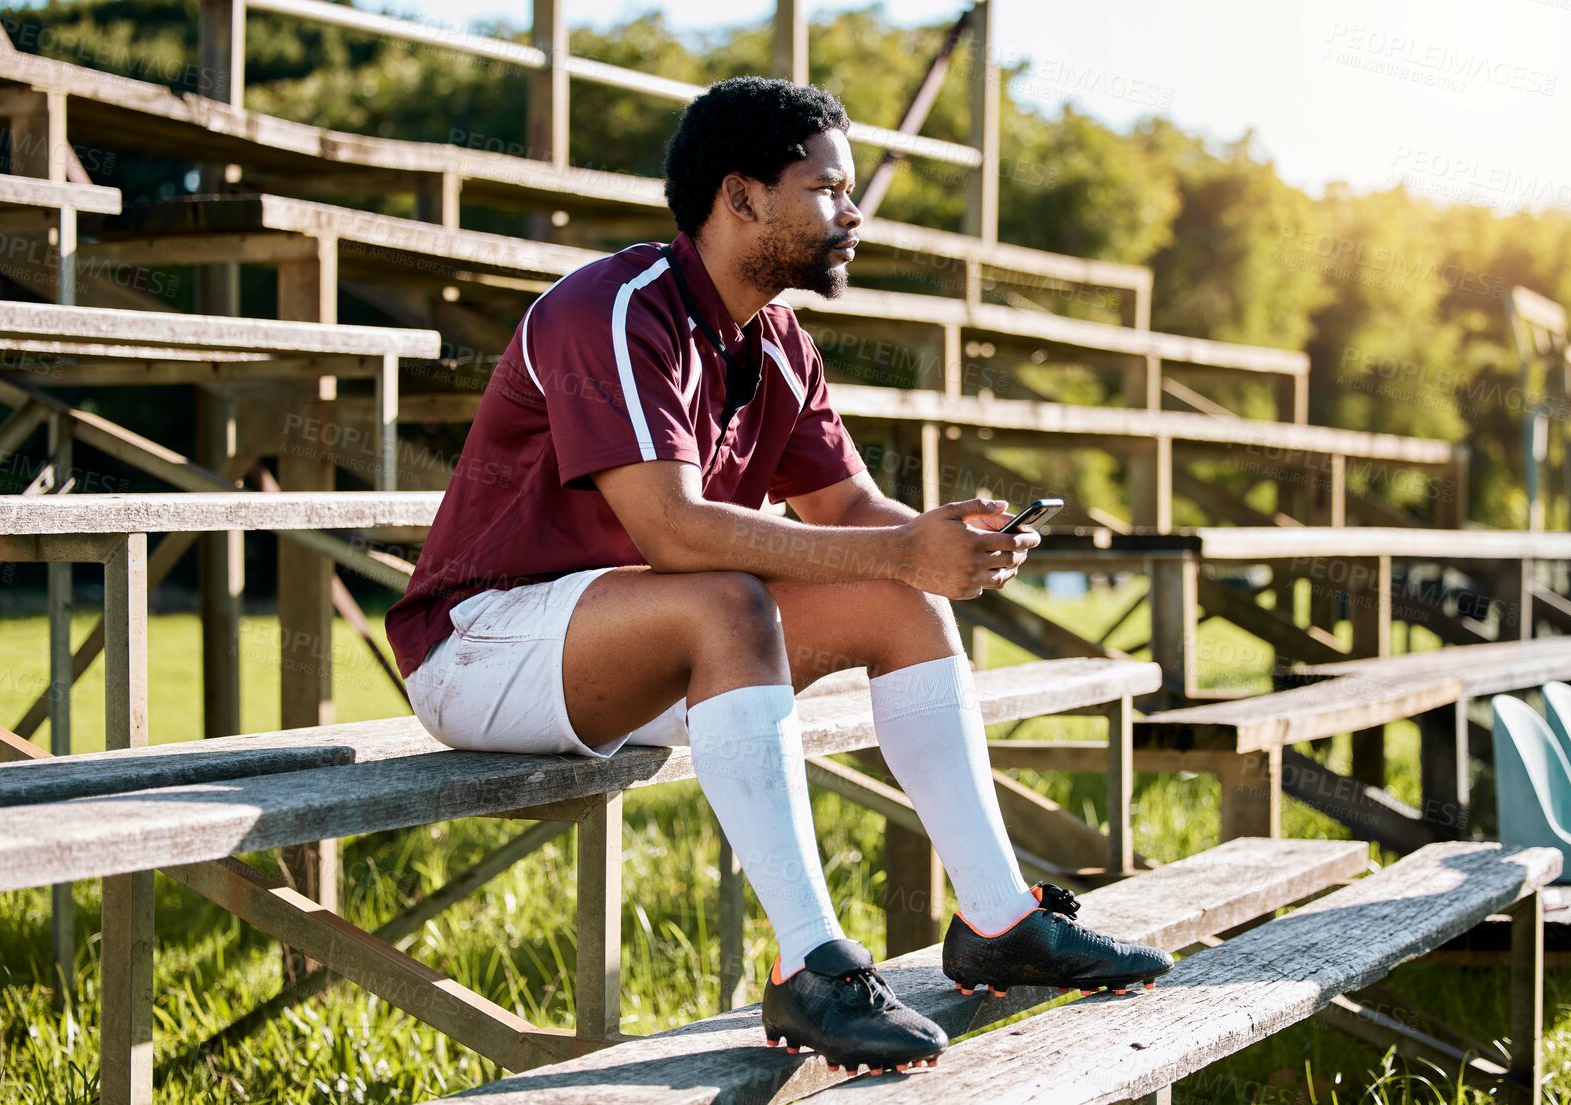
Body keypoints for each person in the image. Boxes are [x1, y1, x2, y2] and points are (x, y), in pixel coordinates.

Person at [384, 76, 1171, 1076]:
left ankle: (997, 916)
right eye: (827, 189)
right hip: (479, 648)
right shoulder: (616, 309)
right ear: (740, 195)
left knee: (899, 601)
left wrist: (943, 541)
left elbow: (850, 517)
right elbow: (670, 529)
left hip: (633, 645)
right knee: (728, 596)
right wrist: (898, 548)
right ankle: (811, 964)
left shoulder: (781, 341)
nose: (852, 213)